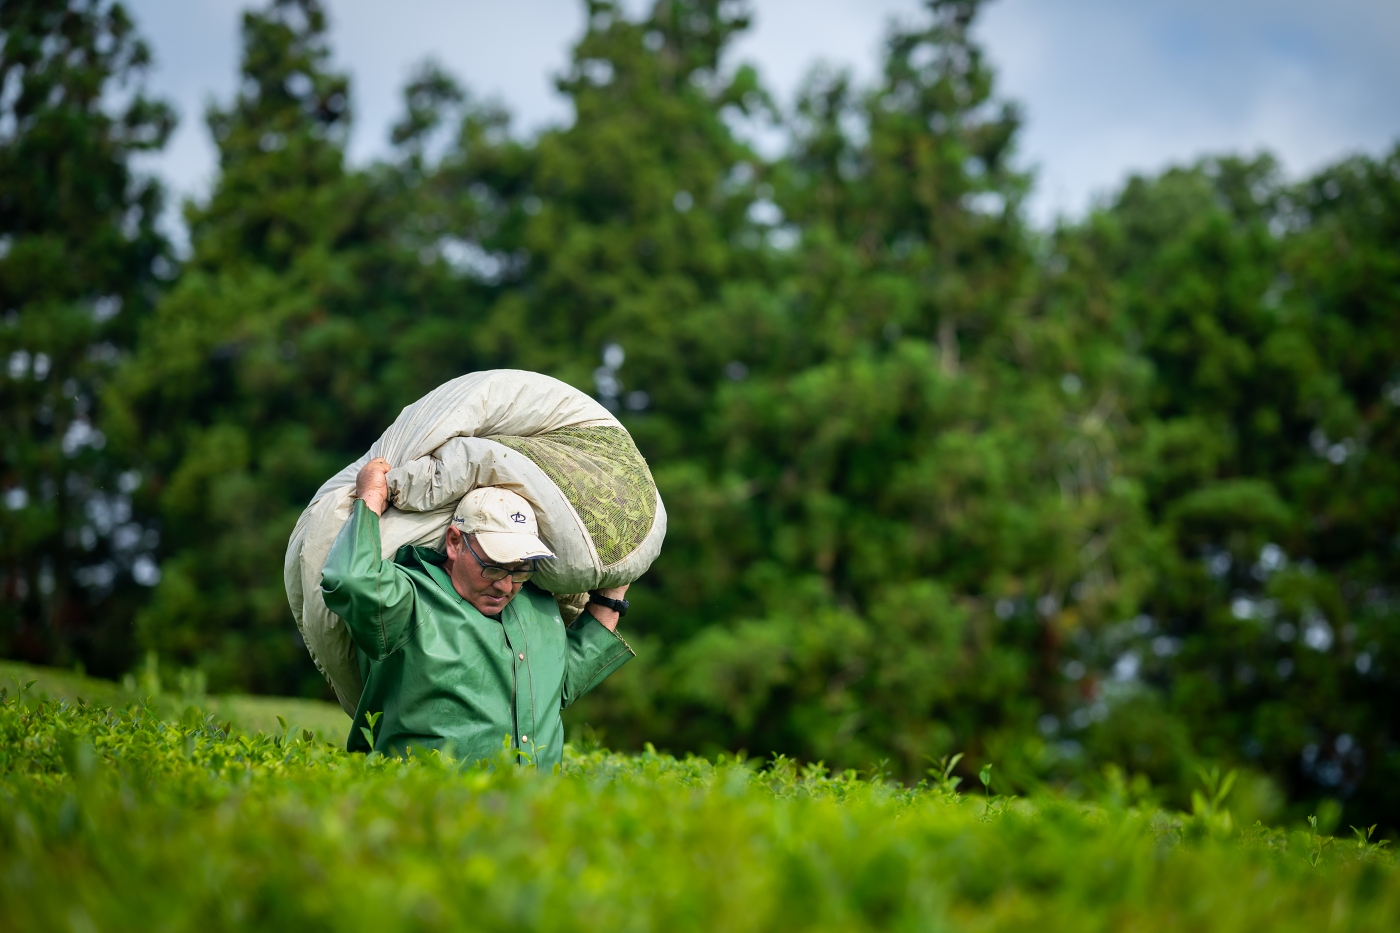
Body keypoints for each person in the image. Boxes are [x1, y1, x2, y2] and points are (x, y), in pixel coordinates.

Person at [320, 457, 635, 767]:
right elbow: (349, 580)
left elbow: (556, 686)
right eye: (493, 567)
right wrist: (372, 495)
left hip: (537, 810)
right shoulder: (410, 599)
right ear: (455, 543)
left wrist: (612, 599)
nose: (506, 586)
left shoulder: (538, 606)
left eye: (521, 570)